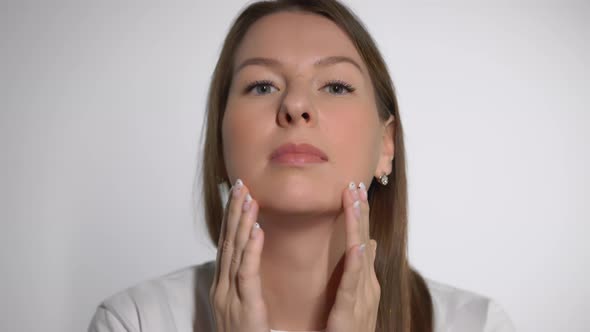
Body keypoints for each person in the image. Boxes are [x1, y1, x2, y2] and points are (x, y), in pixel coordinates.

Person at [88, 0, 516, 331]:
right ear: (220, 145)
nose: (294, 105)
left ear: (386, 144)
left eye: (335, 85)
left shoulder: (475, 325)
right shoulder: (135, 321)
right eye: (261, 86)